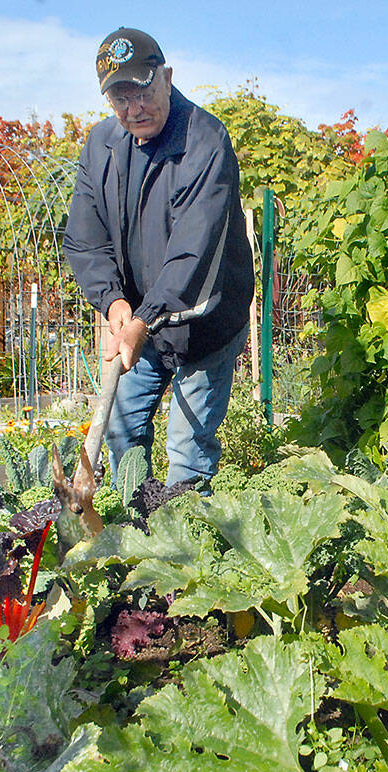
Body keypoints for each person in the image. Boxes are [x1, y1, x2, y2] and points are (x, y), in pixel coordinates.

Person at [64, 27, 253, 486]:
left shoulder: (204, 141)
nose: (135, 110)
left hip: (205, 322)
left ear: (166, 77)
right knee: (121, 430)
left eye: (144, 92)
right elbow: (85, 240)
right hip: (142, 324)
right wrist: (113, 302)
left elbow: (193, 250)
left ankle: (181, 548)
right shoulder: (101, 146)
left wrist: (142, 318)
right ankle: (134, 536)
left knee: (186, 451)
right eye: (120, 100)